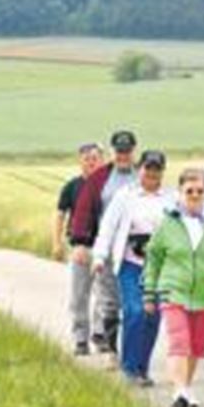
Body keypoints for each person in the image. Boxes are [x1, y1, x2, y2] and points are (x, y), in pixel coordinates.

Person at [144, 168, 204, 407]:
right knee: (179, 342)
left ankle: (186, 387)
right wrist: (149, 292)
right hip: (173, 290)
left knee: (196, 346)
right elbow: (153, 258)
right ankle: (178, 391)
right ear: (180, 193)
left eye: (200, 191)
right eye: (189, 191)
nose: (194, 195)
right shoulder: (168, 223)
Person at [92, 150, 175, 386]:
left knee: (152, 316)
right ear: (140, 169)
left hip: (160, 265)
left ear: (162, 171)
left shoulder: (170, 198)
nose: (151, 173)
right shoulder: (125, 196)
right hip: (131, 262)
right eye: (147, 168)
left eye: (156, 169)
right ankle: (129, 368)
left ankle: (142, 367)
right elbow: (108, 227)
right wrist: (99, 256)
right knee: (135, 311)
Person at [70, 130, 139, 362]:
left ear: (134, 151)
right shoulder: (99, 178)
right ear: (112, 152)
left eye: (127, 151)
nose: (123, 156)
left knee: (134, 302)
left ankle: (132, 349)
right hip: (107, 247)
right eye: (119, 151)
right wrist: (80, 242)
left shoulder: (142, 175)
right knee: (109, 301)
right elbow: (83, 210)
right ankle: (111, 350)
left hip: (137, 249)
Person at [55, 142, 106, 356]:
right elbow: (60, 214)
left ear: (101, 160)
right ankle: (80, 339)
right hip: (81, 247)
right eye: (87, 158)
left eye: (95, 157)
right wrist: (57, 243)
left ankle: (101, 334)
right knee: (79, 296)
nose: (91, 161)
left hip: (105, 248)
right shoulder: (72, 186)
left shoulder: (109, 186)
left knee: (105, 295)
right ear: (80, 161)